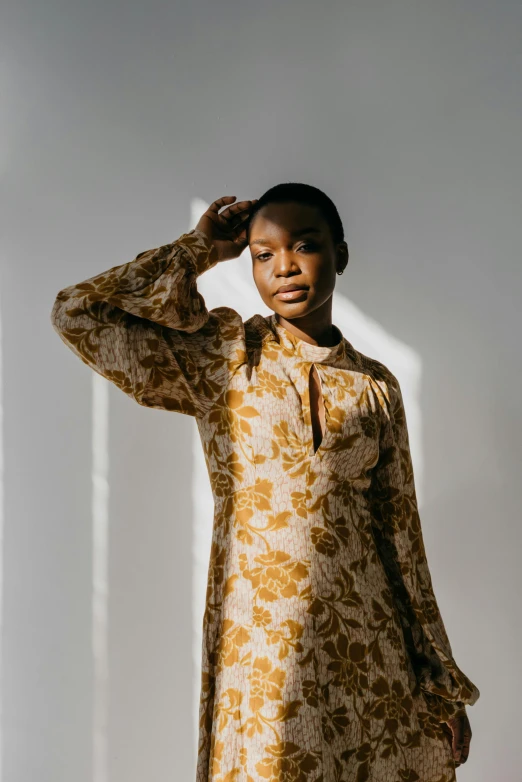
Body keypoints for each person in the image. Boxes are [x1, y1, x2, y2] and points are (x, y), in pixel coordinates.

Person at [50, 183, 480, 781]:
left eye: (305, 245)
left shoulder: (376, 388)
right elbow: (78, 313)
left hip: (370, 653)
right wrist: (196, 251)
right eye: (263, 253)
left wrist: (439, 679)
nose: (285, 266)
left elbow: (402, 539)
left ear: (340, 255)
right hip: (262, 652)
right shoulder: (225, 357)